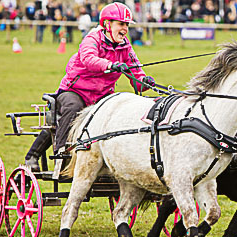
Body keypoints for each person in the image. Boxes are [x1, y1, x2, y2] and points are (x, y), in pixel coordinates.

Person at [24, 2, 156, 172]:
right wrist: (111, 65)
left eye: (127, 25)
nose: (125, 29)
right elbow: (89, 59)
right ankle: (53, 153)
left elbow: (136, 73)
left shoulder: (125, 46)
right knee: (74, 108)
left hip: (102, 95)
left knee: (117, 113)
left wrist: (144, 81)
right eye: (121, 24)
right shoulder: (92, 38)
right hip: (75, 90)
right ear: (107, 24)